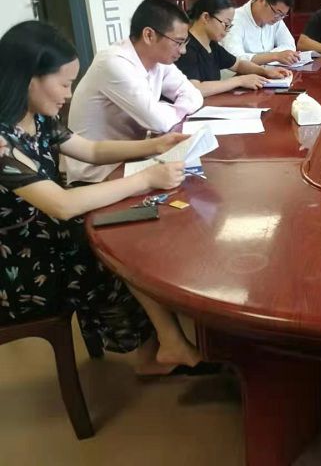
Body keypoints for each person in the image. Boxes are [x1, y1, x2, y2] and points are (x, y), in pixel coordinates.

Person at [0, 21, 205, 376]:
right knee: (114, 249)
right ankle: (158, 347)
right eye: (64, 84)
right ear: (30, 78)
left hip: (46, 233)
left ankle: (166, 341)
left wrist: (155, 145)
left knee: (123, 231)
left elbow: (91, 150)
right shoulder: (2, 141)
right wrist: (145, 178)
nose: (68, 94)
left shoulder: (36, 118)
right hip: (20, 262)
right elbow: (61, 204)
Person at [65, 0, 204, 184]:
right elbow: (159, 123)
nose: (183, 50)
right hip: (100, 172)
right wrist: (170, 110)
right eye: (178, 42)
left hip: (135, 157)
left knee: (194, 178)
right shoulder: (114, 62)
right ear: (149, 35)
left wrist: (164, 110)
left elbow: (194, 95)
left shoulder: (159, 60)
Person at [176, 0, 291, 97]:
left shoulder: (212, 45)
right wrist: (239, 80)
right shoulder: (185, 48)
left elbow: (238, 64)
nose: (227, 30)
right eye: (225, 24)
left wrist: (266, 71)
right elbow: (195, 89)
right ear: (206, 17)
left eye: (230, 26)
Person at [221, 0, 301, 66]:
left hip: (268, 71)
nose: (278, 19)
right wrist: (274, 56)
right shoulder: (234, 19)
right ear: (262, 0)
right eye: (277, 13)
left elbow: (289, 45)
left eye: (283, 15)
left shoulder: (276, 18)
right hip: (239, 73)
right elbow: (235, 58)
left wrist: (275, 56)